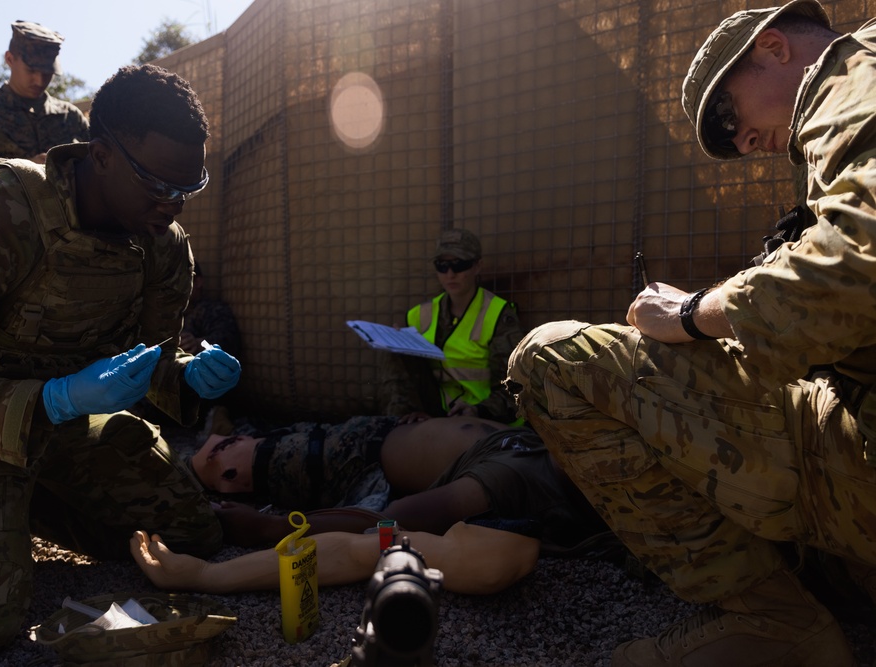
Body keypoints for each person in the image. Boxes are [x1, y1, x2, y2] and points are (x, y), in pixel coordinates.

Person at [506, 2, 876, 665]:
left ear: (774, 48)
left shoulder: (850, 75)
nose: (741, 143)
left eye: (729, 116)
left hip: (859, 451)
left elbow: (857, 261)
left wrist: (689, 313)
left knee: (553, 362)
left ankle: (775, 620)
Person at [0, 64, 241, 667]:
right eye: (156, 184)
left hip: (63, 431)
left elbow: (151, 360)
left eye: (187, 188)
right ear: (101, 156)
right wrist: (54, 400)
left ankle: (18, 502)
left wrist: (186, 375)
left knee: (189, 537)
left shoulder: (163, 245)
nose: (172, 204)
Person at [131, 417, 613, 596]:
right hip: (378, 440)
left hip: (360, 461)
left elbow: (370, 538)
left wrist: (265, 532)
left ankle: (198, 484)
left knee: (246, 460)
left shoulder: (507, 485)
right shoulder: (552, 449)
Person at [380, 229, 523, 424]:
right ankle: (400, 423)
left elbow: (513, 387)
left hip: (483, 418)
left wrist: (478, 411)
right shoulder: (419, 315)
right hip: (435, 414)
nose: (450, 274)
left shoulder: (498, 314)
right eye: (442, 265)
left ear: (477, 266)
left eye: (459, 265)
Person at [0, 20, 90, 175]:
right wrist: (23, 169)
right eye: (31, 70)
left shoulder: (71, 117)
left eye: (47, 73)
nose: (39, 80)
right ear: (10, 59)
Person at [179, 261, 241, 357]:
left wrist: (197, 344)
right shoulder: (172, 313)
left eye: (183, 280)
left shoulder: (213, 310)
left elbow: (228, 341)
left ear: (198, 282)